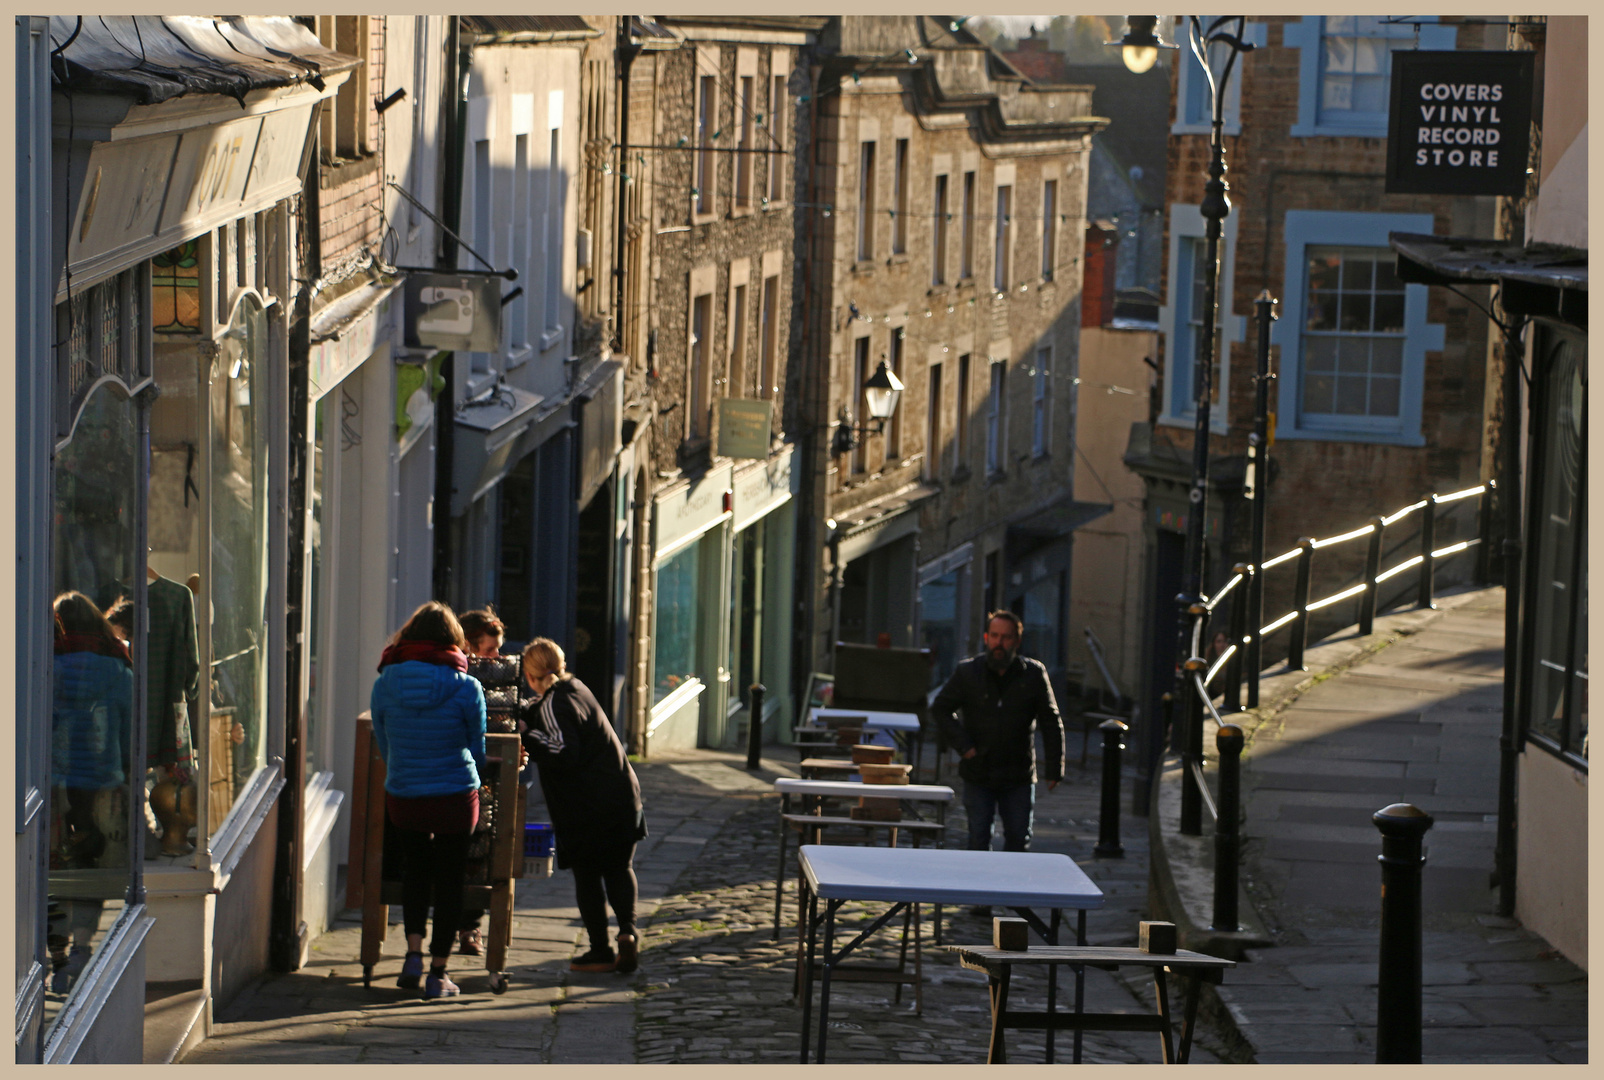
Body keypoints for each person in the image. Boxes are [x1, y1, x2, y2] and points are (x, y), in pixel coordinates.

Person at [370, 601, 496, 999]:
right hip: (455, 796)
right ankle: (438, 973)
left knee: (415, 873)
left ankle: (411, 956)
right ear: (453, 640)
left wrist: (403, 772)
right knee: (449, 881)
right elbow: (477, 749)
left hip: (405, 794)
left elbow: (383, 741)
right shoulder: (467, 687)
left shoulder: (385, 682)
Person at [521, 637, 647, 974]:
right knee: (620, 868)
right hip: (622, 797)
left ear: (531, 676)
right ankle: (628, 933)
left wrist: (527, 736)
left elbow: (564, 750)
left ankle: (600, 950)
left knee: (588, 876)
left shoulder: (553, 703)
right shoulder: (576, 687)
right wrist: (528, 714)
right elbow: (552, 714)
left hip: (587, 808)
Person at [930, 610, 1065, 916]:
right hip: (979, 771)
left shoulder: (1033, 673)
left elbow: (1050, 721)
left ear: (1017, 641)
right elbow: (940, 709)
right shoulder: (969, 672)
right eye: (994, 636)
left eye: (1006, 637)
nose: (999, 643)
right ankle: (981, 896)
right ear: (986, 638)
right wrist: (964, 746)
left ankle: (1014, 894)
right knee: (979, 835)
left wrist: (1054, 768)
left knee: (1018, 835)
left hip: (1018, 772)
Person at [453, 606, 508, 958]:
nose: (497, 657)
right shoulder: (458, 680)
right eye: (490, 649)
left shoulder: (497, 679)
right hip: (460, 777)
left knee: (481, 855)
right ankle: (461, 927)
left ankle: (469, 928)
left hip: (484, 783)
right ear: (470, 647)